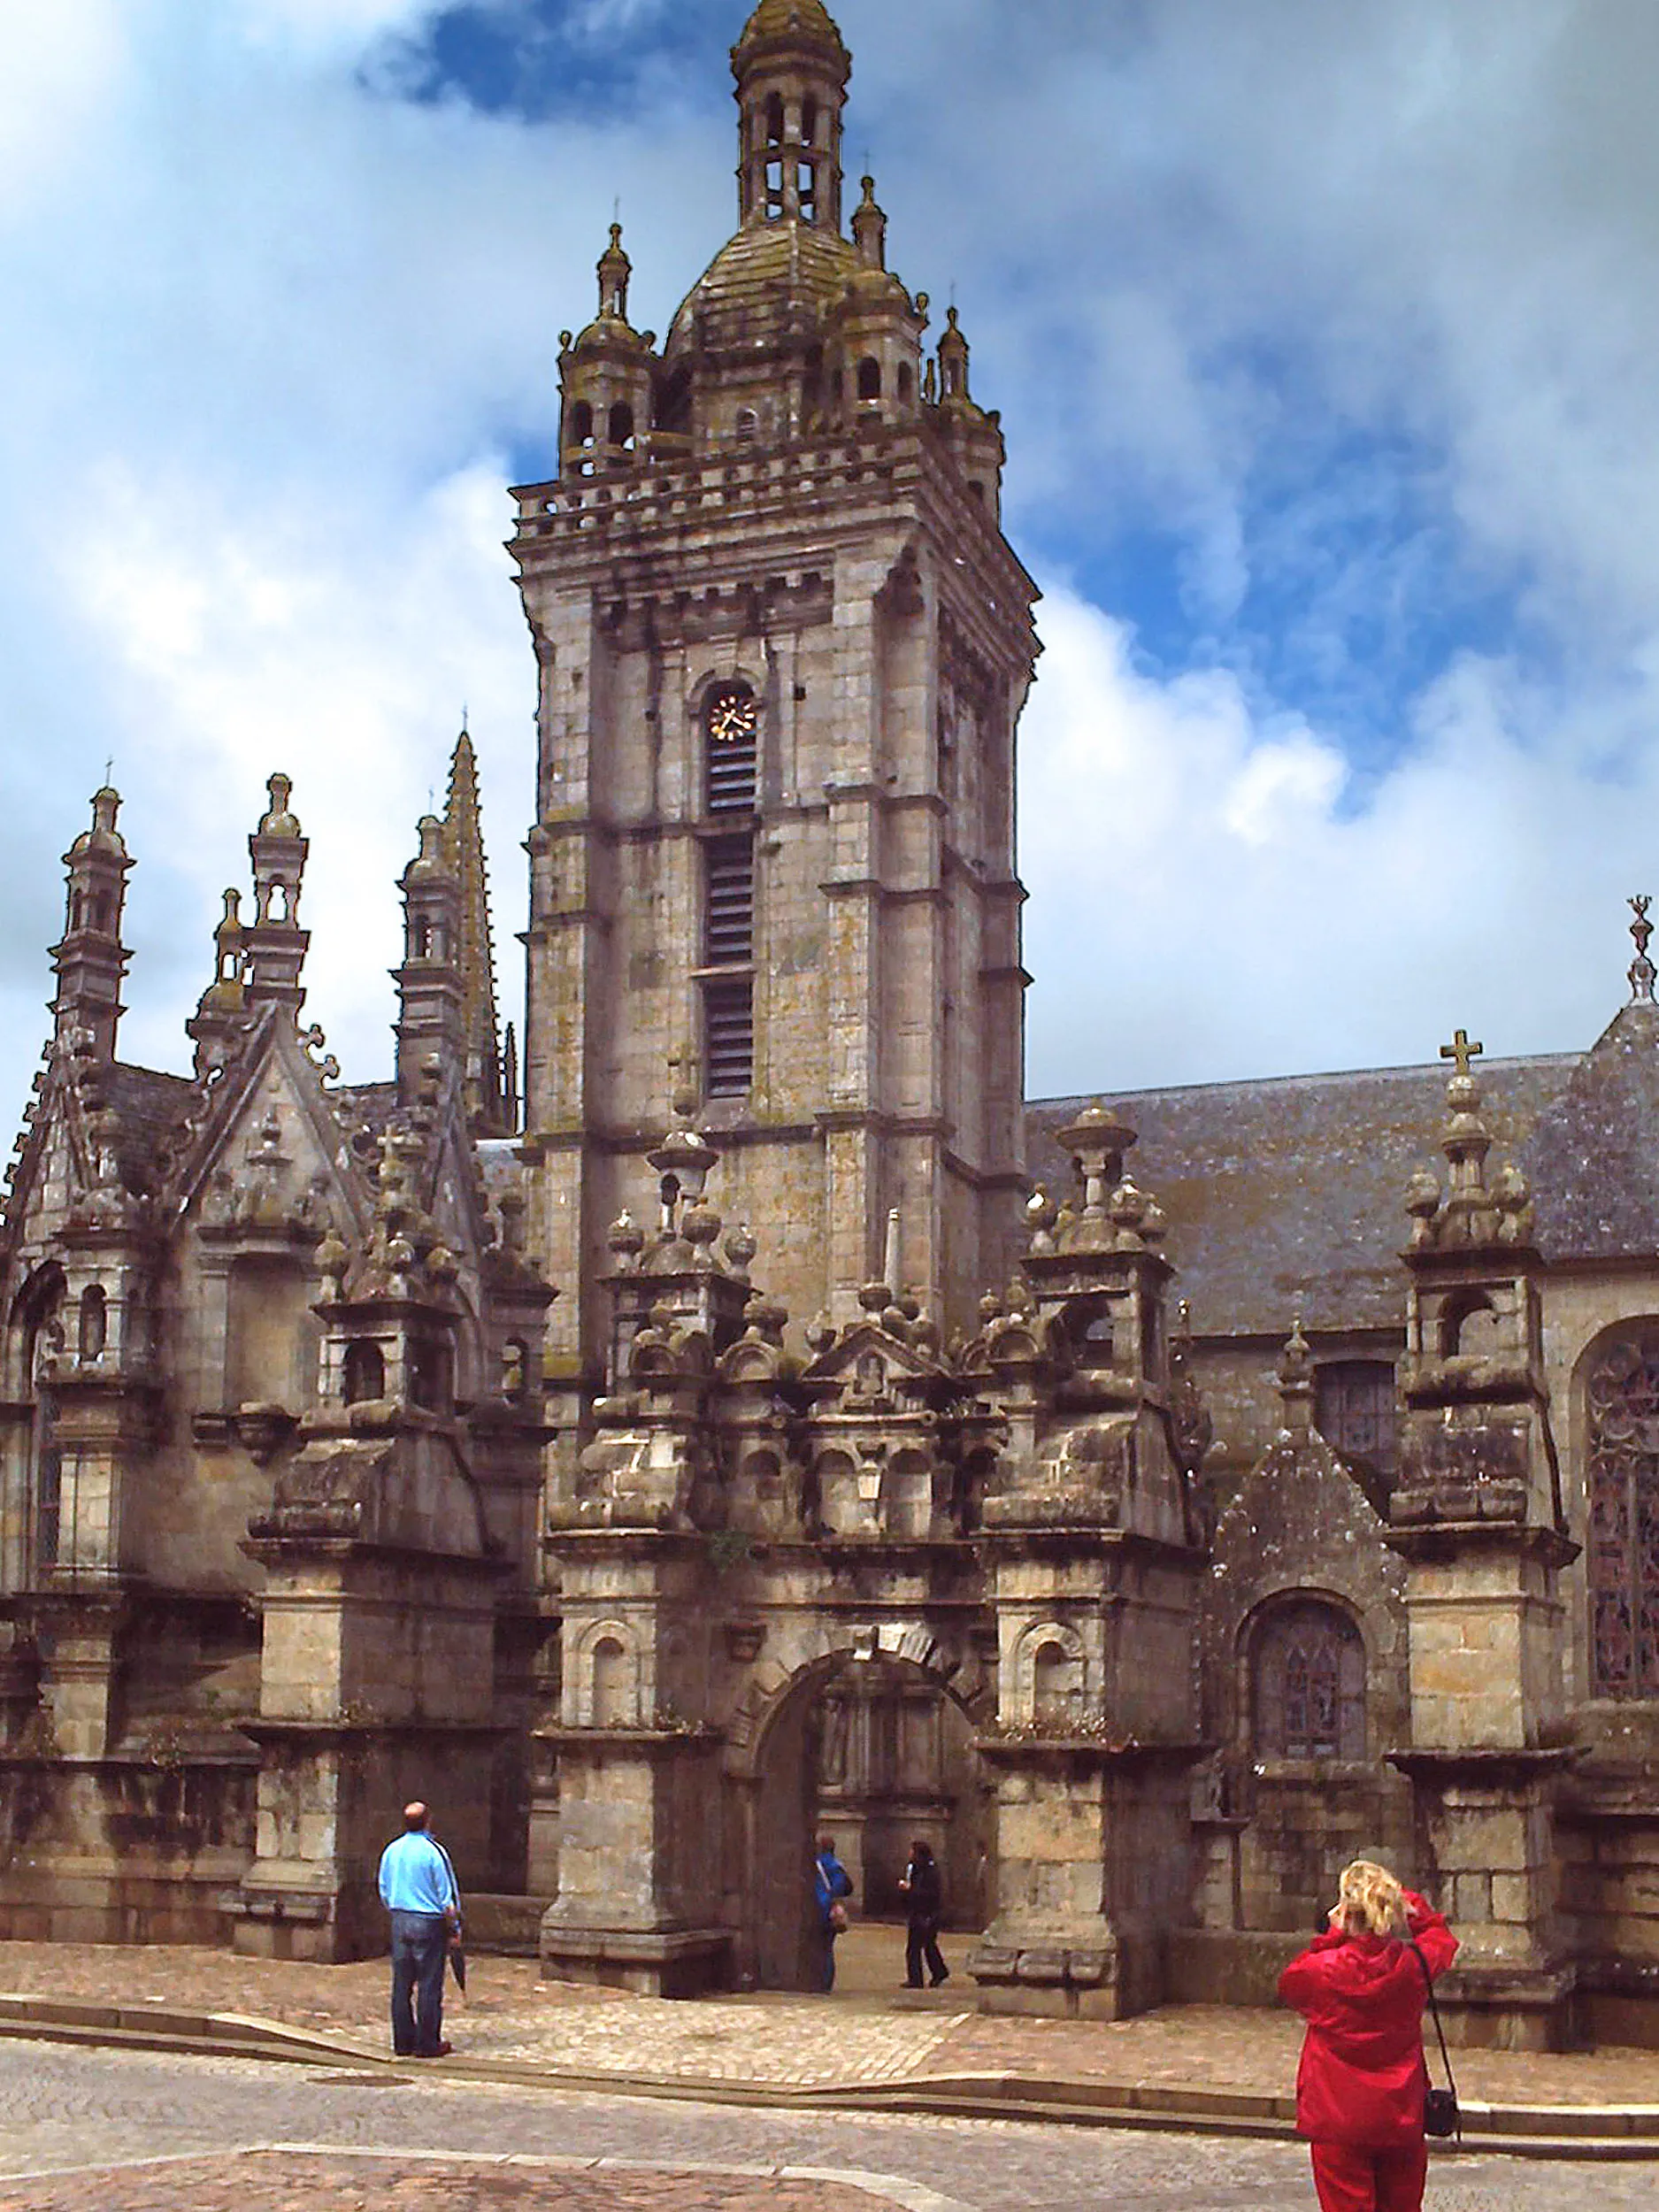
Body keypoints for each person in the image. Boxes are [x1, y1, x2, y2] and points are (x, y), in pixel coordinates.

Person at [1279, 1859, 1458, 2212]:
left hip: (1338, 2115)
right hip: (1400, 2112)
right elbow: (1443, 1940)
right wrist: (1411, 1904)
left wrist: (1334, 1934)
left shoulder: (1321, 1970)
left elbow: (1290, 1981)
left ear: (1347, 1911)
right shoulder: (1413, 1966)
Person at [377, 1800, 461, 2058]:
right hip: (428, 1922)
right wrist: (455, 1927)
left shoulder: (392, 1850)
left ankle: (402, 2042)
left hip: (400, 1919)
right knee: (428, 1984)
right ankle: (427, 2043)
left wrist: (395, 1909)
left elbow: (383, 1888)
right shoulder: (434, 1852)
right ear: (428, 1821)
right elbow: (447, 1897)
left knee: (401, 1985)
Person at [898, 1837, 949, 1989]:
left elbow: (931, 1894)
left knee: (916, 1948)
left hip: (927, 1914)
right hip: (918, 1911)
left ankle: (917, 1979)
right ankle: (938, 1971)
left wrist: (910, 1890)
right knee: (927, 1945)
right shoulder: (915, 1869)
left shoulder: (930, 1872)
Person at [812, 1833, 853, 1993]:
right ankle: (825, 1982)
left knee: (822, 1948)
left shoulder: (818, 1864)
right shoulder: (837, 1865)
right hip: (830, 1910)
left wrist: (823, 1902)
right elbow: (841, 1888)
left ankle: (822, 1982)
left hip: (822, 1910)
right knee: (827, 1948)